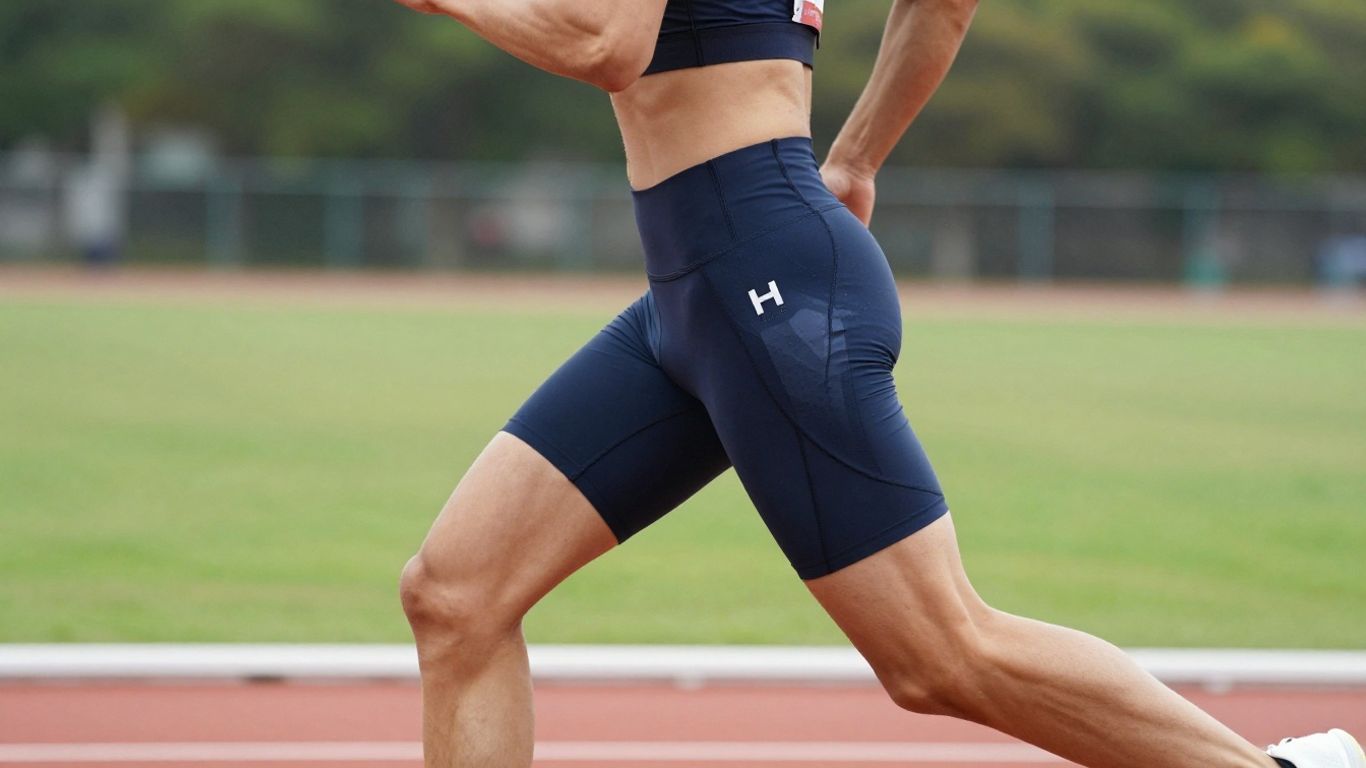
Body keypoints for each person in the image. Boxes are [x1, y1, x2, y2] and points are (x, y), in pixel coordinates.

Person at [391, 1, 1365, 767]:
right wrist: (852, 161)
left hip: (759, 290)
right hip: (700, 292)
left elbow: (607, 39)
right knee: (457, 593)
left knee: (941, 654)